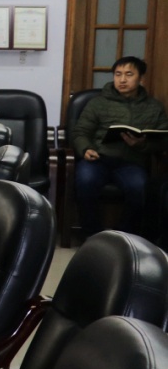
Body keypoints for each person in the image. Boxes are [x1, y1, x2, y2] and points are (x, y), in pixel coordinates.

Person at [72, 56, 168, 236]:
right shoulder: (98, 103)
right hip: (98, 159)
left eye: (129, 74)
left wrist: (142, 144)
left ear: (141, 78)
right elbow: (80, 132)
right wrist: (86, 149)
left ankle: (124, 237)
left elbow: (163, 140)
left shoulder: (154, 107)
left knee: (139, 187)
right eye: (118, 74)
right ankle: (92, 235)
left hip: (132, 162)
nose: (122, 80)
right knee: (85, 182)